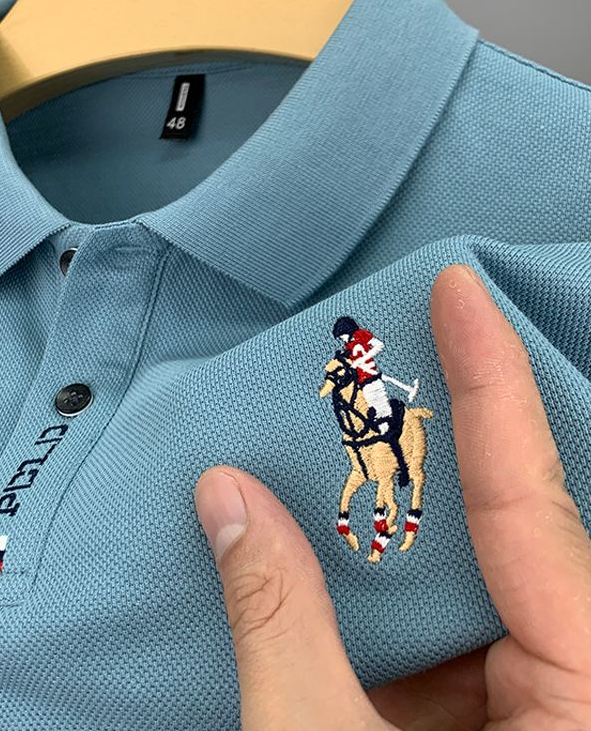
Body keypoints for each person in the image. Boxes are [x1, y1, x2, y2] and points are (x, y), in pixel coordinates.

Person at [194, 265, 591, 730]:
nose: (345, 340)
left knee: (383, 418)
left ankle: (400, 472)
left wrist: (363, 360)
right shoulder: (342, 355)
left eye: (346, 337)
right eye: (344, 339)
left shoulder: (365, 344)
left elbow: (373, 357)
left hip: (376, 388)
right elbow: (330, 382)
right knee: (352, 427)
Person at [332, 316, 393, 434]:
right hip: (362, 382)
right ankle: (383, 430)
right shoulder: (348, 346)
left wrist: (362, 359)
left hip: (371, 377)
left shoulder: (361, 335)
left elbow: (379, 345)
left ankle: (390, 430)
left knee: (381, 404)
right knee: (371, 406)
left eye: (342, 336)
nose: (342, 339)